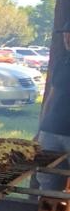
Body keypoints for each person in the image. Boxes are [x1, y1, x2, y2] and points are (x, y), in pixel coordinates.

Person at [36, 20, 70, 191]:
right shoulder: (62, 62)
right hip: (50, 130)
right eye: (65, 33)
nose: (67, 37)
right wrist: (40, 128)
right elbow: (52, 95)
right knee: (46, 178)